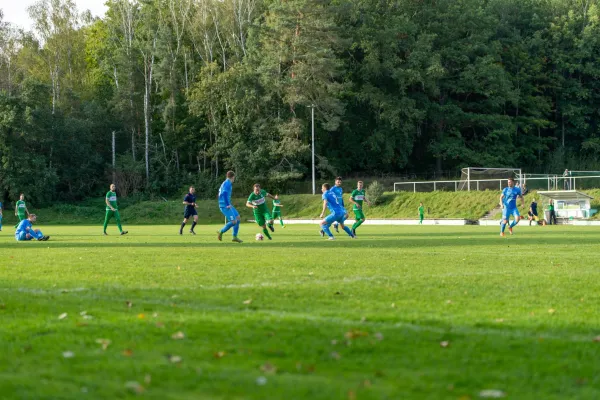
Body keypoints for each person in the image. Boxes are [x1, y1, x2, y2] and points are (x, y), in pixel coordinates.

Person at [217, 171, 243, 243]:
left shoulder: (225, 182)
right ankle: (220, 232)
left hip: (225, 204)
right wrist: (227, 204)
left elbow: (220, 194)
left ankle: (234, 237)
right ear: (233, 177)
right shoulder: (227, 183)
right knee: (234, 221)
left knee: (237, 218)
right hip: (224, 205)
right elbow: (224, 193)